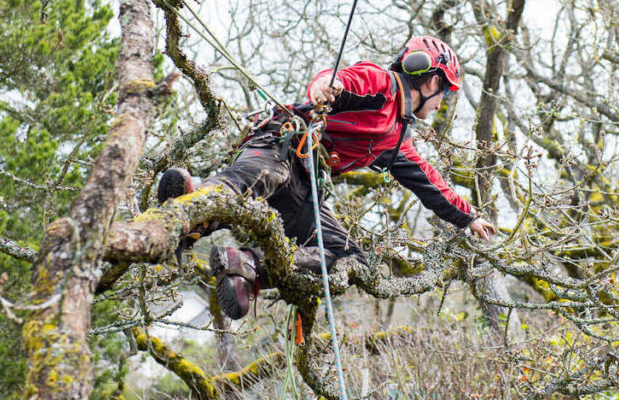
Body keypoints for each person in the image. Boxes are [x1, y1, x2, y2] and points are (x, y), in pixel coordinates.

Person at [157, 36, 495, 320]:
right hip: (284, 142)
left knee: (345, 257)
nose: (442, 103)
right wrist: (325, 86)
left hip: (306, 184)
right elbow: (343, 78)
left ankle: (246, 266)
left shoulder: (397, 140)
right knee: (264, 175)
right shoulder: (382, 85)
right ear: (433, 81)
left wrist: (469, 217)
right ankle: (193, 206)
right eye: (446, 93)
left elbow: (430, 182)